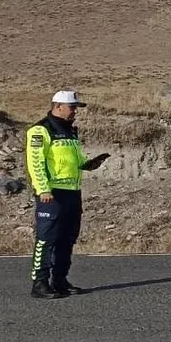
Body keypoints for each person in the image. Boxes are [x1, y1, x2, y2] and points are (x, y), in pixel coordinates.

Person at [25, 89, 109, 299]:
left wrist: (89, 164)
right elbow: (35, 163)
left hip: (72, 193)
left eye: (76, 108)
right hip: (51, 194)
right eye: (72, 108)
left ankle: (60, 280)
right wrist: (43, 189)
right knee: (46, 239)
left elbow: (75, 159)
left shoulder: (71, 131)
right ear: (58, 106)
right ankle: (40, 283)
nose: (75, 112)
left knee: (67, 239)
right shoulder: (40, 130)